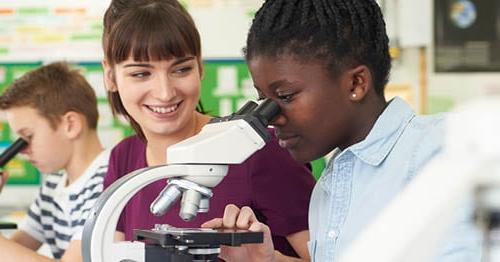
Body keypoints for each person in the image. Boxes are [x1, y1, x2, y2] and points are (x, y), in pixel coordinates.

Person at [202, 0, 482, 261]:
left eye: (285, 96)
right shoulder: (331, 186)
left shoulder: (443, 154)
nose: (273, 118)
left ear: (356, 84)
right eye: (263, 99)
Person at [100, 0, 315, 259]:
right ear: (110, 76)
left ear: (200, 68)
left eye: (181, 69)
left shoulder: (257, 150)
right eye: (141, 74)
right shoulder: (123, 158)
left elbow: (332, 256)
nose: (165, 92)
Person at [0, 62, 109, 261]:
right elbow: (13, 251)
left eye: (27, 137)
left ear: (70, 124)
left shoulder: (108, 181)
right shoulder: (53, 185)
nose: (22, 151)